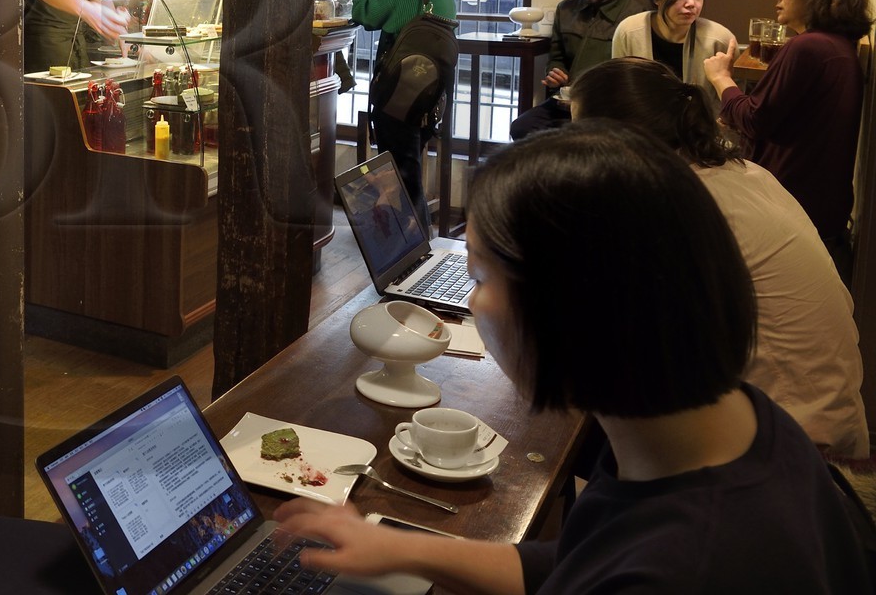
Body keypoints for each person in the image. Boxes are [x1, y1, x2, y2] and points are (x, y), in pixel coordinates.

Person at [275, 121, 875, 593]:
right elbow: (580, 563)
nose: (471, 304)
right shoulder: (726, 425)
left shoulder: (686, 568)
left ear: (568, 309)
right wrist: (402, 549)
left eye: (479, 277)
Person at [573, 57, 868, 458]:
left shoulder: (680, 207)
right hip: (831, 414)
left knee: (581, 413)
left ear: (619, 143)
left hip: (792, 444)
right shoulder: (743, 172)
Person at [705, 0, 872, 275]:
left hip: (790, 208)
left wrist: (721, 77)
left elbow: (754, 119)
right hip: (820, 211)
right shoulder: (837, 46)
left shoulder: (807, 46)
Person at [350, 0, 455, 222]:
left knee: (404, 184)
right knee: (408, 173)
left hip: (398, 98)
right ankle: (414, 244)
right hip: (428, 100)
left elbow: (364, 14)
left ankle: (413, 246)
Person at [508, 0, 641, 140]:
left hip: (607, 107)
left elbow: (636, 76)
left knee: (579, 139)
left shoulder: (635, 16)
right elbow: (557, 56)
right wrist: (556, 73)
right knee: (522, 128)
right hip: (566, 101)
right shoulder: (566, 9)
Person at [610, 0, 734, 120]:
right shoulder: (629, 32)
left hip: (700, 129)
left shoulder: (720, 40)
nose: (691, 3)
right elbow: (620, 90)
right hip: (641, 127)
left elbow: (731, 107)